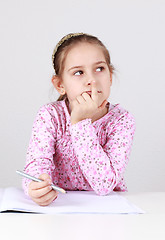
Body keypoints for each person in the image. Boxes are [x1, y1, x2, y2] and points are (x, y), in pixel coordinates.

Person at [22, 33, 135, 206]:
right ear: (60, 85)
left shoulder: (121, 120)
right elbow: (37, 164)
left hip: (107, 210)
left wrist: (80, 123)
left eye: (99, 69)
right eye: (78, 72)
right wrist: (36, 185)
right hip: (61, 208)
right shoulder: (50, 115)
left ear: (110, 77)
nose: (92, 80)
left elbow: (104, 185)